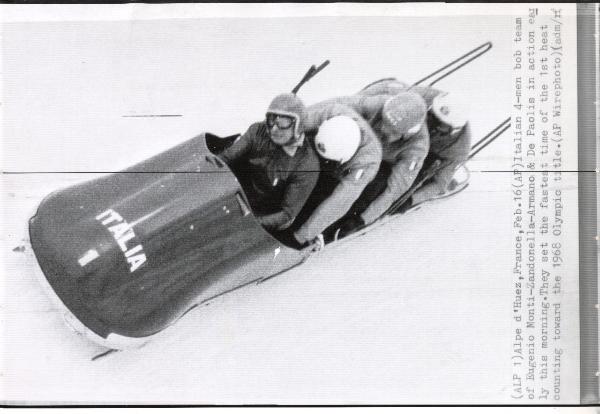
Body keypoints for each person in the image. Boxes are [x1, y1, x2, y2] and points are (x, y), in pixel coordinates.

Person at [326, 91, 430, 236]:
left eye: (392, 130)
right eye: (384, 122)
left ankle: (336, 223)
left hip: (382, 165)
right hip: (359, 146)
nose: (383, 129)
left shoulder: (417, 148)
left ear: (406, 134)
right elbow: (334, 106)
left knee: (376, 183)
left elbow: (393, 190)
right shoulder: (377, 103)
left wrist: (362, 220)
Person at [358, 79, 472, 206]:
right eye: (431, 117)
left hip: (419, 157)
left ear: (453, 130)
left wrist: (411, 200)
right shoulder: (417, 98)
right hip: (399, 137)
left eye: (440, 125)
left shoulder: (459, 148)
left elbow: (439, 183)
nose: (431, 126)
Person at [215, 93, 320, 231]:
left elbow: (286, 214)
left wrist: (253, 224)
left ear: (298, 126)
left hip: (264, 213)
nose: (274, 129)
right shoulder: (258, 131)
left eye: (283, 123)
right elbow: (226, 157)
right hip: (240, 193)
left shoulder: (306, 165)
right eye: (271, 120)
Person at [292, 103, 382, 250]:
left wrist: (302, 236)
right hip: (316, 148)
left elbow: (339, 202)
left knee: (325, 193)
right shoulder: (334, 111)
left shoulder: (368, 161)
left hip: (338, 174)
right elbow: (293, 123)